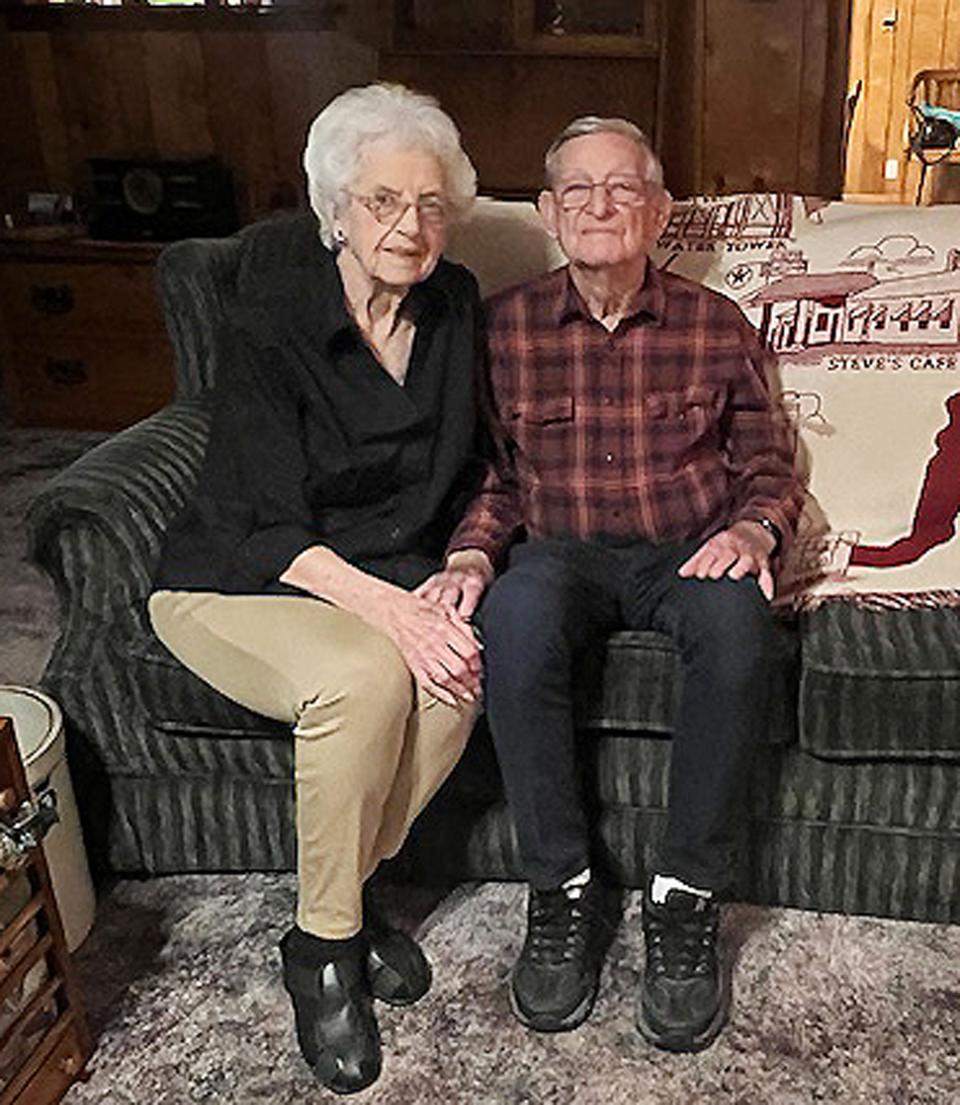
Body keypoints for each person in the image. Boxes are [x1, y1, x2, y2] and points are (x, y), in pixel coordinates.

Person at [148, 83, 509, 1094]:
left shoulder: (455, 303)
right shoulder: (273, 321)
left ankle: (343, 888)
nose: (410, 225)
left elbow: (477, 458)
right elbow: (264, 519)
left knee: (456, 670)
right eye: (384, 200)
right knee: (365, 679)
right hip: (240, 577)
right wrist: (394, 611)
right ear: (337, 210)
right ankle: (323, 950)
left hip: (384, 570)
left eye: (432, 203)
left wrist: (453, 571)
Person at [443, 117, 804, 1052]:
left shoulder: (715, 323)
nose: (600, 207)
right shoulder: (504, 327)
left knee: (737, 626)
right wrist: (477, 551)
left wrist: (755, 529)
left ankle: (683, 898)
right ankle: (562, 889)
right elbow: (490, 470)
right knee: (513, 621)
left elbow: (767, 459)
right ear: (548, 214)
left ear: (659, 210)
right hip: (558, 552)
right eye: (578, 192)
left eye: (622, 189)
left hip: (684, 548)